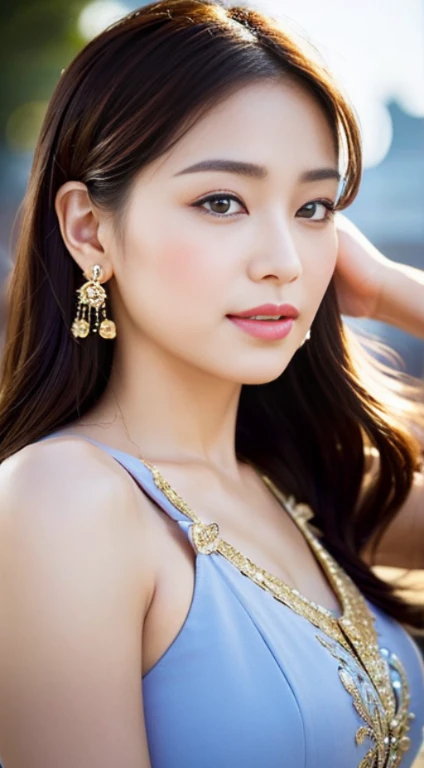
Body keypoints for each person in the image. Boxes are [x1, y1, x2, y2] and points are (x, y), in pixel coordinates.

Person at [0, 1, 423, 765]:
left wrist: (392, 288)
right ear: (89, 229)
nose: (285, 259)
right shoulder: (60, 499)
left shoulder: (309, 487)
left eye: (314, 207)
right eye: (221, 201)